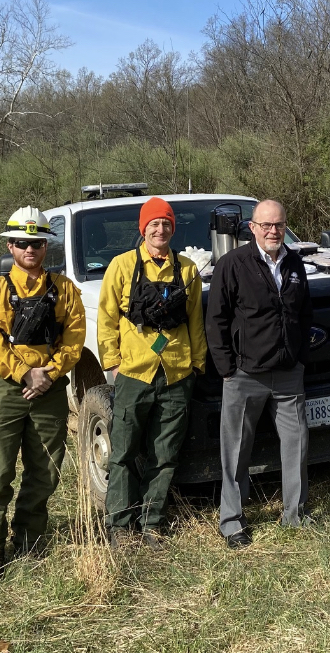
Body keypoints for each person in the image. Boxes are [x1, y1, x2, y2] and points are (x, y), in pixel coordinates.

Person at [0, 207, 86, 579]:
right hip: (7, 389)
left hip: (49, 389)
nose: (30, 250)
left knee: (46, 469)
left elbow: (75, 337)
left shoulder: (65, 289)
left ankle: (29, 538)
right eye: (22, 243)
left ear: (46, 246)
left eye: (36, 243)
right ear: (10, 245)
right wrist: (24, 373)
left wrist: (50, 373)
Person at [96, 197, 206, 548]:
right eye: (154, 224)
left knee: (164, 454)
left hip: (176, 374)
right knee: (124, 452)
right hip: (133, 373)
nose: (160, 230)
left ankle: (152, 524)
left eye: (167, 224)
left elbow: (196, 322)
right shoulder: (122, 265)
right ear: (143, 229)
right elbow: (106, 317)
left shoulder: (187, 270)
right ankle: (119, 526)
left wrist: (197, 363)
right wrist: (111, 363)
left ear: (173, 229)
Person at [206, 199, 314, 549]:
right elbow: (217, 320)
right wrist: (227, 368)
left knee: (297, 445)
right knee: (236, 451)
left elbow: (305, 313)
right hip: (244, 374)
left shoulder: (295, 262)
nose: (273, 231)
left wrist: (299, 357)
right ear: (251, 228)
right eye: (266, 225)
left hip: (287, 373)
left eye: (279, 225)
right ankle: (232, 522)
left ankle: (295, 514)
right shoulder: (232, 264)